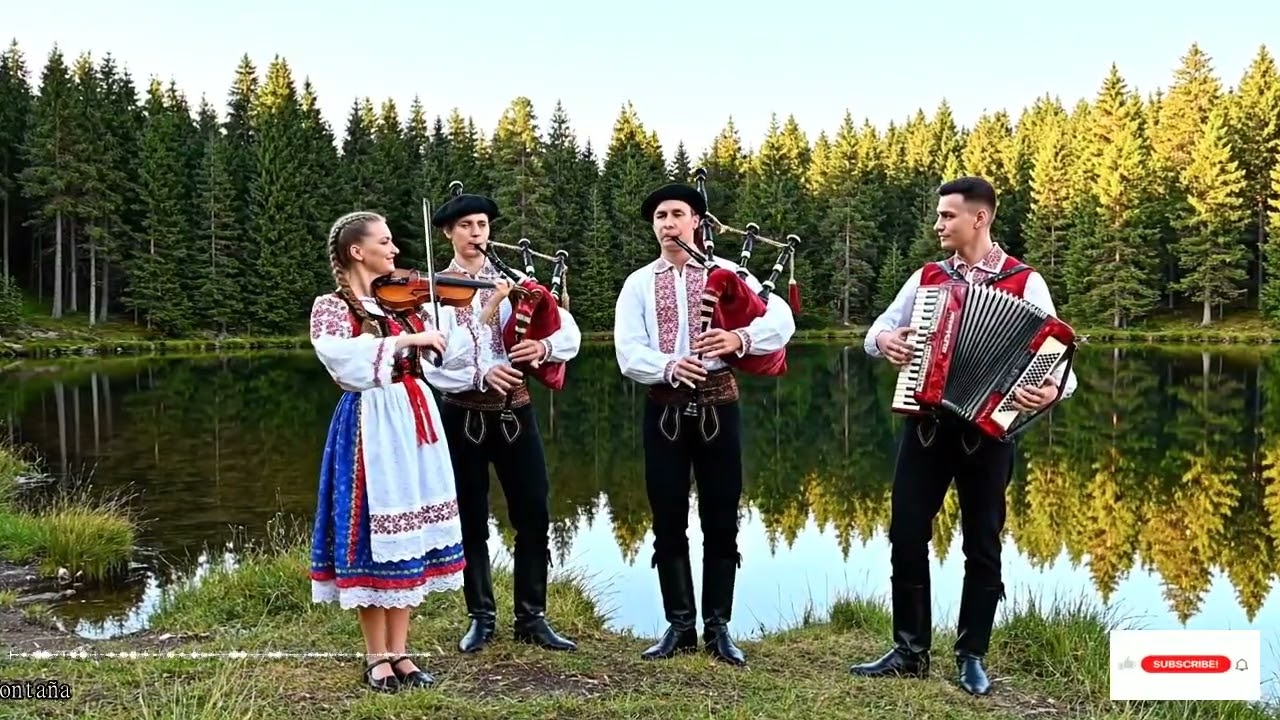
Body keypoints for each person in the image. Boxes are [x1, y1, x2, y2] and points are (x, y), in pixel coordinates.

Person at [849, 176, 1077, 696]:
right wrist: (887, 340)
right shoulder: (928, 278)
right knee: (906, 533)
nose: (938, 225)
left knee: (983, 545)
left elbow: (1064, 368)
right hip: (926, 426)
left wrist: (1049, 393)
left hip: (989, 435)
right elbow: (874, 332)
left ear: (980, 218)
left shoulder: (1026, 283)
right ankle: (909, 650)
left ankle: (972, 655)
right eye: (938, 216)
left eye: (947, 216)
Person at [613, 181, 796, 666]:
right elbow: (628, 352)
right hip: (665, 410)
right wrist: (668, 367)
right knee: (667, 518)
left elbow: (781, 321)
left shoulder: (729, 272)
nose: (668, 224)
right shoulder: (637, 283)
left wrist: (739, 339)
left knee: (721, 518)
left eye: (678, 214)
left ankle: (718, 628)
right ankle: (679, 626)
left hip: (719, 408)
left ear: (697, 221)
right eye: (660, 217)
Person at [308, 210, 467, 693]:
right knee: (374, 538)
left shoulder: (403, 305)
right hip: (368, 422)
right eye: (386, 241)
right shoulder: (332, 306)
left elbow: (449, 356)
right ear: (357, 251)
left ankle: (401, 653)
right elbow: (341, 360)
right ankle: (376, 657)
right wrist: (408, 340)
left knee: (410, 536)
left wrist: (467, 314)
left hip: (415, 418)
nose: (395, 250)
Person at [421, 189, 582, 654]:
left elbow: (565, 329)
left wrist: (544, 349)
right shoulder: (434, 291)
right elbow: (434, 364)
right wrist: (479, 370)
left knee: (533, 513)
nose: (476, 234)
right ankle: (481, 617)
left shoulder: (514, 280)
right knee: (469, 518)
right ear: (449, 232)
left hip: (515, 411)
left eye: (483, 226)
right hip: (463, 414)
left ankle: (532, 617)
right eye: (467, 226)